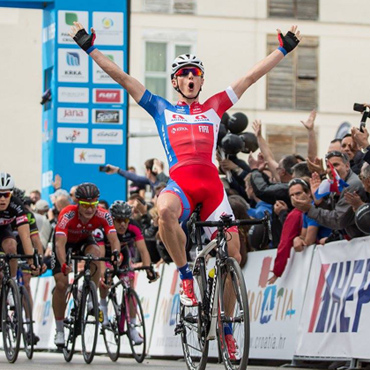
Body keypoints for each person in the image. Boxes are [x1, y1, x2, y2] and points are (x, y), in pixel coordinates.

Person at [70, 21, 301, 359]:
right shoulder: (160, 107)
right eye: (184, 74)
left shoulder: (215, 106)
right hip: (180, 184)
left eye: (196, 74)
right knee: (164, 211)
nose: (191, 79)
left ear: (201, 80)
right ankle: (186, 277)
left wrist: (283, 48)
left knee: (233, 256)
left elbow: (250, 77)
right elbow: (122, 77)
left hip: (211, 189)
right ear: (176, 81)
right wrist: (89, 47)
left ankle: (226, 331)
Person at [52, 182, 121, 347]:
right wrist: (63, 263)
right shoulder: (67, 214)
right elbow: (59, 245)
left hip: (84, 240)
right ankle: (60, 330)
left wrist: (116, 253)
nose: (89, 209)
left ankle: (90, 292)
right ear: (78, 203)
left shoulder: (103, 214)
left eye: (93, 205)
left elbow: (114, 239)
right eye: (85, 205)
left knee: (96, 255)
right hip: (64, 243)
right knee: (61, 285)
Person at [97, 201, 158, 344]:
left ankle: (132, 329)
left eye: (125, 220)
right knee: (106, 277)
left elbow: (143, 250)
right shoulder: (104, 228)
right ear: (112, 219)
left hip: (123, 254)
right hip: (104, 254)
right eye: (118, 220)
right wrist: (104, 274)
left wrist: (149, 269)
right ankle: (103, 309)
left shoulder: (134, 226)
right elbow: (99, 259)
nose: (123, 224)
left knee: (130, 288)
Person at [0, 173, 38, 277]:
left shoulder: (16, 205)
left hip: (3, 230)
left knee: (12, 247)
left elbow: (25, 236)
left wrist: (31, 261)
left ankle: (12, 283)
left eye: (6, 195)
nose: (2, 199)